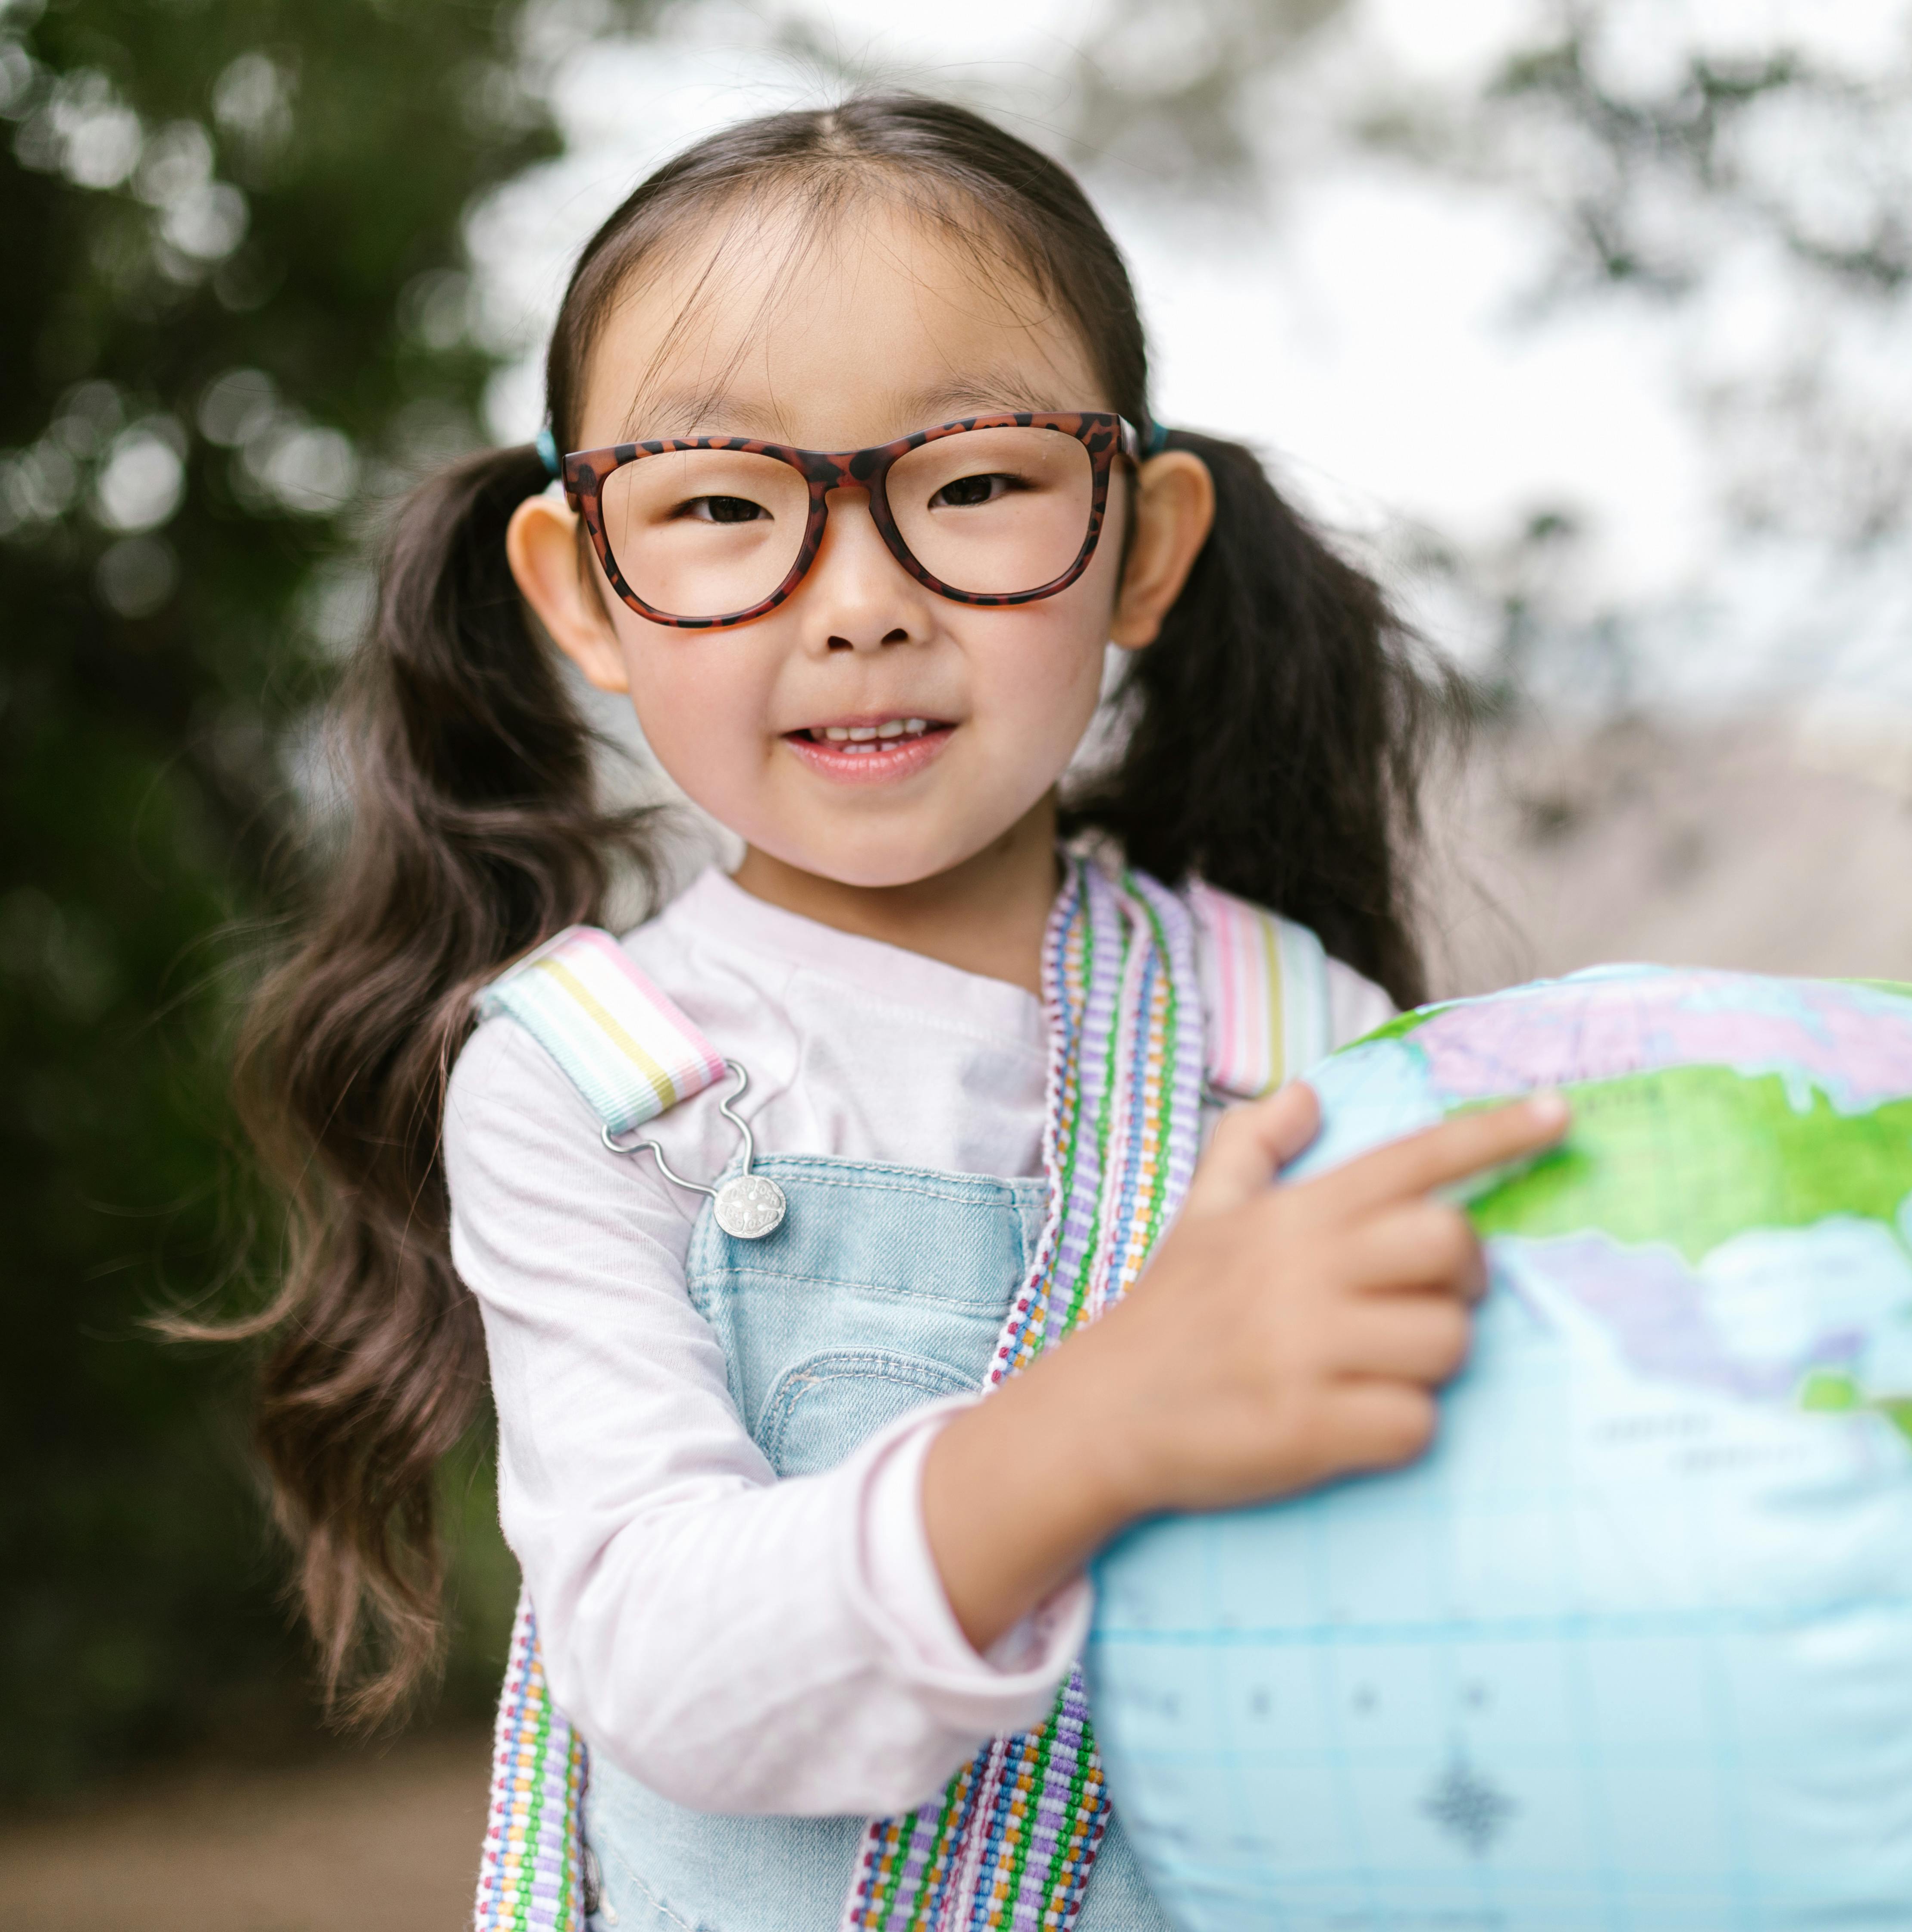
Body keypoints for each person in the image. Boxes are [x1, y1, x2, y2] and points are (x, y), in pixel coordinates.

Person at [233, 93, 1566, 1930]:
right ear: (585, 589)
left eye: (978, 481)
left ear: (1145, 543)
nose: (859, 603)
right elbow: (671, 1662)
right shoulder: (596, 1081)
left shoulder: (1296, 1029)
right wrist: (1108, 1420)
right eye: (719, 504)